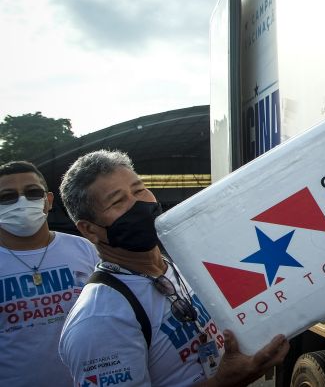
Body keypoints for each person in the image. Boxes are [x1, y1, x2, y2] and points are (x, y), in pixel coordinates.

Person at [58, 150, 289, 386]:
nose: (138, 203)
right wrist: (223, 382)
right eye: (118, 201)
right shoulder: (100, 320)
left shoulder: (177, 265)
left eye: (139, 190)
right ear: (89, 229)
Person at [0, 160, 99, 386]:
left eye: (33, 192)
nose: (22, 202)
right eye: (7, 196)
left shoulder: (85, 249)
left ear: (49, 201)